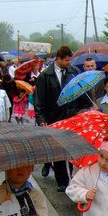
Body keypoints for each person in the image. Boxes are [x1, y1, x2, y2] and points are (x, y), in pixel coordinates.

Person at [34, 45, 81, 191]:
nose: (69, 63)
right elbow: (39, 100)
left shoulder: (74, 72)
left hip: (71, 116)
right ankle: (62, 181)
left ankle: (71, 178)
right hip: (53, 117)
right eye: (66, 60)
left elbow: (80, 93)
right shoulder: (45, 76)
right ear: (58, 59)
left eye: (70, 60)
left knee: (72, 149)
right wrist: (41, 119)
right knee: (59, 150)